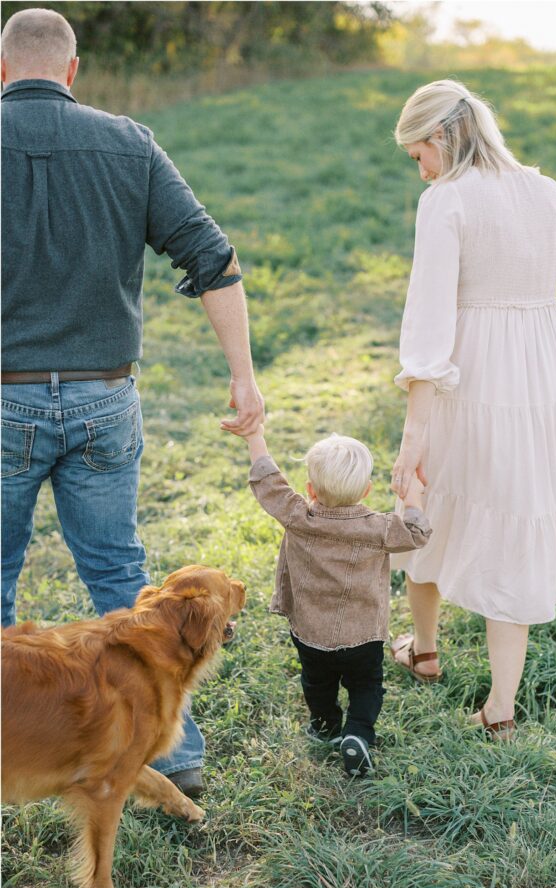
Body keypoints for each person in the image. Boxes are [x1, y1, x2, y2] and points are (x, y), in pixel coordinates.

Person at [1, 8, 265, 797]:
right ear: (73, 71)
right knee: (119, 572)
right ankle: (175, 754)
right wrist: (244, 378)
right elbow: (212, 259)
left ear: (4, 69)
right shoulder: (129, 143)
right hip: (105, 401)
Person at [388, 79, 556, 739]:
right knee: (515, 509)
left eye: (417, 151)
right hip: (544, 372)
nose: (417, 167)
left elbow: (427, 326)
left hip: (471, 373)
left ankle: (426, 652)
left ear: (444, 138)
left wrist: (412, 434)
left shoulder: (444, 201)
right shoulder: (547, 191)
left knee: (426, 496)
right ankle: (497, 705)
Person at [240, 425, 432, 776]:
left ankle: (326, 726)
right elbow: (418, 533)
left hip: (311, 633)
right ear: (367, 490)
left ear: (310, 490)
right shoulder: (380, 527)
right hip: (364, 636)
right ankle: (358, 732)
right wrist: (413, 496)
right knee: (367, 685)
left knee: (317, 683)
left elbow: (269, 484)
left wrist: (256, 437)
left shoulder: (298, 515)